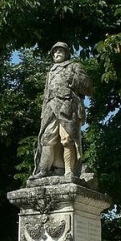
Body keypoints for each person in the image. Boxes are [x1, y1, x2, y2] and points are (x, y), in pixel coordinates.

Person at [30, 42, 93, 179]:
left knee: (67, 139)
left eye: (60, 51)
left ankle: (69, 171)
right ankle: (44, 170)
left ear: (66, 53)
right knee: (46, 139)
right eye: (55, 52)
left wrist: (73, 79)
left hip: (67, 107)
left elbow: (88, 87)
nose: (57, 54)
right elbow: (46, 94)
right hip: (50, 109)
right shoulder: (51, 71)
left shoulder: (74, 66)